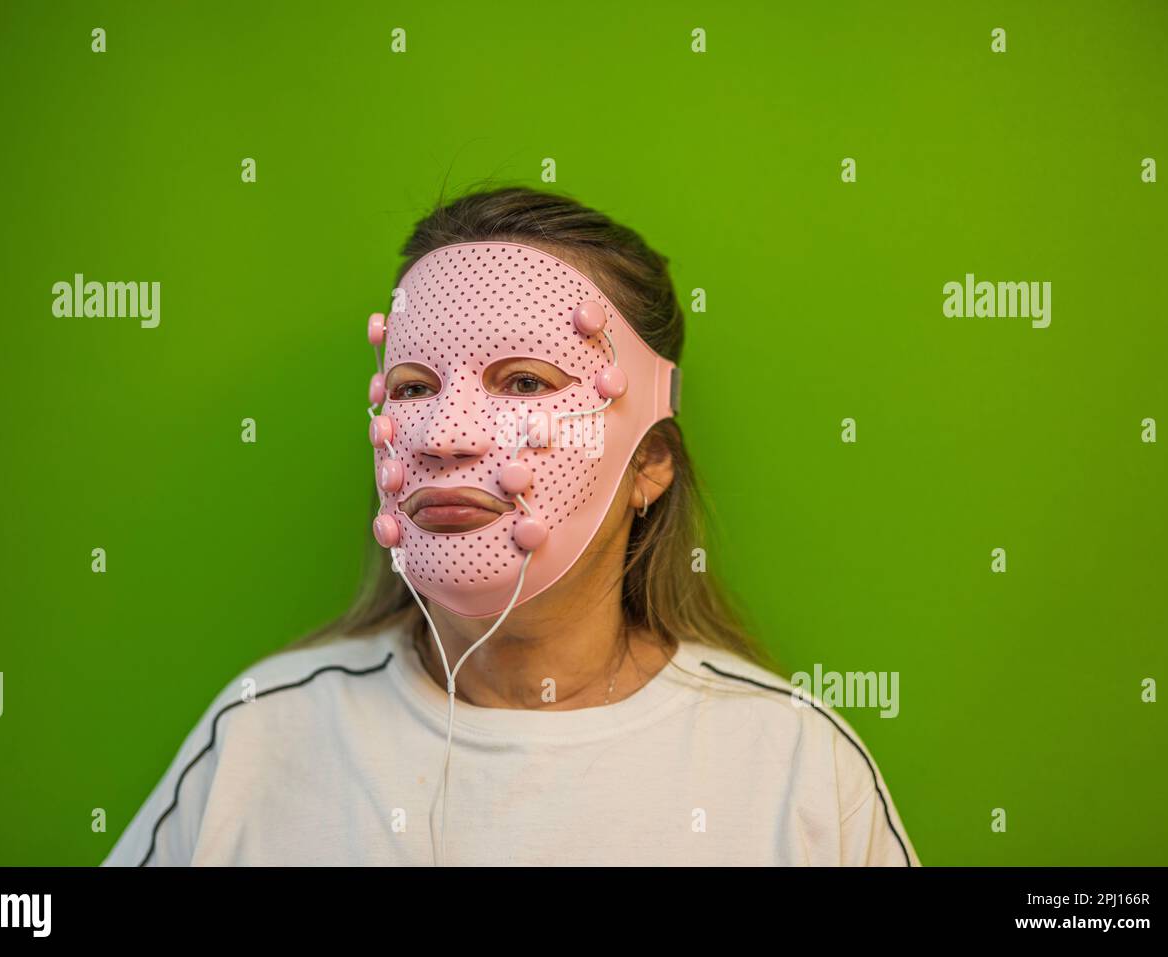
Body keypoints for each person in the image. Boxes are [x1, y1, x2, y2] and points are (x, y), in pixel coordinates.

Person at [103, 186, 919, 866]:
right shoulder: (258, 742)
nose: (443, 432)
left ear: (652, 463)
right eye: (416, 387)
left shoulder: (795, 770)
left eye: (525, 382)